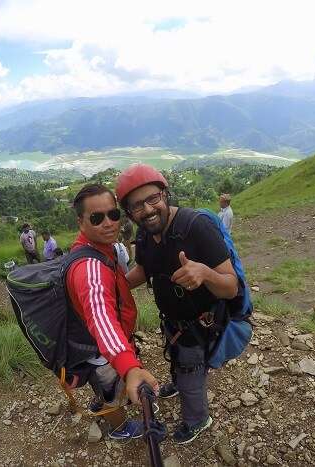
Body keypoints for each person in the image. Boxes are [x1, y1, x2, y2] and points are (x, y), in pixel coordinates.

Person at [117, 164, 240, 445]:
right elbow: (144, 270)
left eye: (152, 199)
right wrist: (110, 288)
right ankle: (180, 380)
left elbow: (231, 287)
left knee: (190, 373)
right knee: (179, 358)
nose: (147, 210)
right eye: (137, 206)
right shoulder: (146, 235)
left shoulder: (197, 227)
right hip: (173, 322)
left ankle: (197, 419)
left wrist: (205, 273)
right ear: (129, 213)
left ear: (165, 194)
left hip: (200, 323)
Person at [66, 183, 159, 439]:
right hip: (102, 353)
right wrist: (129, 366)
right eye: (97, 218)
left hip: (106, 347)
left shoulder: (99, 249)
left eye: (113, 214)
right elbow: (101, 318)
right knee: (110, 392)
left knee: (110, 386)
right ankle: (119, 428)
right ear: (80, 222)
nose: (108, 223)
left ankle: (106, 397)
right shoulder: (90, 268)